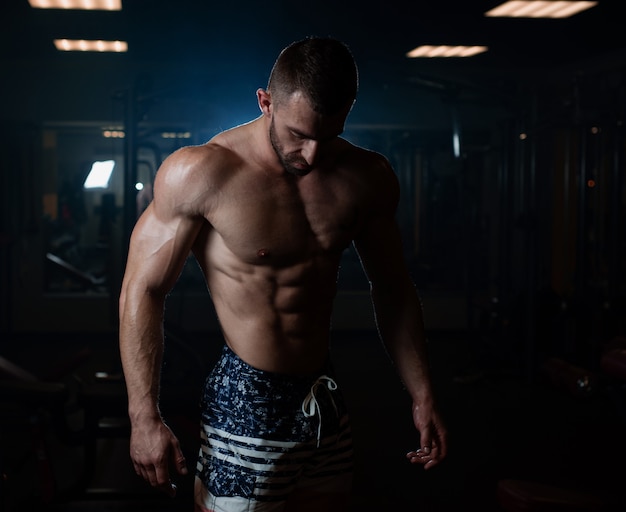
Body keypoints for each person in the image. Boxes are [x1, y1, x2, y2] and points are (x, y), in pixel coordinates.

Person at [118, 36, 448, 512]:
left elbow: (393, 288)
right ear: (265, 102)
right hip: (246, 397)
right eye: (299, 134)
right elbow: (141, 290)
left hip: (323, 397)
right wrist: (143, 416)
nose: (312, 155)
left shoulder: (367, 177)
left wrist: (422, 393)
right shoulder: (203, 172)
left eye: (328, 136)